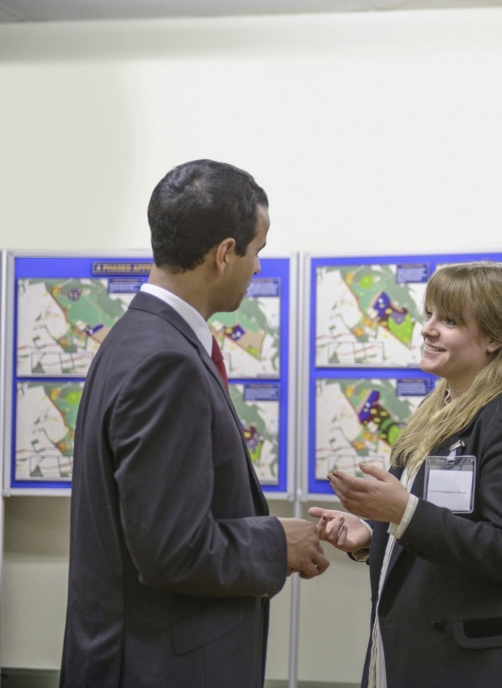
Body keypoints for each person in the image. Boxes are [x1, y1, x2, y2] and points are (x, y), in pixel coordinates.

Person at [61, 160, 329, 688]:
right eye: (256, 251)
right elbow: (171, 550)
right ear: (224, 254)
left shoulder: (134, 337)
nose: (258, 267)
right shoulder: (167, 362)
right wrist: (278, 542)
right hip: (161, 666)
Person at [309, 261, 502, 688]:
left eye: (449, 321)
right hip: (404, 645)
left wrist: (403, 513)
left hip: (464, 665)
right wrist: (371, 532)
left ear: (492, 338)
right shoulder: (434, 409)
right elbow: (432, 521)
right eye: (429, 314)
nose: (427, 329)